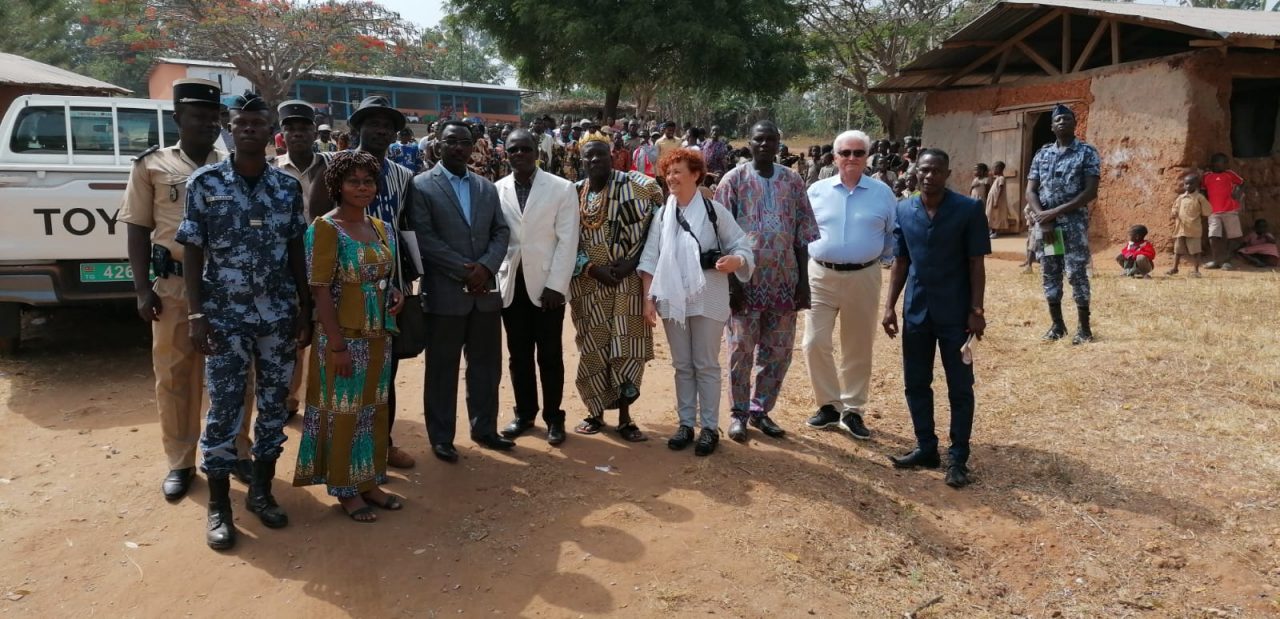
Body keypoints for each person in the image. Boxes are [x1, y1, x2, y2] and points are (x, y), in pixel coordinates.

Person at [176, 93, 310, 549]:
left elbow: (297, 249)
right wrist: (196, 313)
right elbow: (192, 251)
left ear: (268, 130)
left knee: (274, 407)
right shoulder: (204, 182)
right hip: (225, 318)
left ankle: (261, 492)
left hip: (277, 316)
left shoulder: (286, 188)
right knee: (225, 412)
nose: (248, 128)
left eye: (257, 122)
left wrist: (305, 310)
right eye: (241, 122)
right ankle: (218, 507)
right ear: (229, 129)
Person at [120, 78, 254, 501]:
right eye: (198, 116)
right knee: (176, 376)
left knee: (237, 377)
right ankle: (180, 461)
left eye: (214, 117)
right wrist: (143, 289)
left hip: (229, 288)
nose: (207, 124)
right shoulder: (152, 166)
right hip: (174, 287)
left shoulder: (236, 163)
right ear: (178, 118)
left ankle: (237, 449)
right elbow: (138, 229)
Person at [293, 150, 406, 522]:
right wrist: (337, 345)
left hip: (378, 336)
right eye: (354, 181)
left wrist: (393, 293)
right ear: (338, 186)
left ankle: (369, 482)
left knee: (373, 411)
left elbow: (380, 274)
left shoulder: (379, 226)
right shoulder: (326, 228)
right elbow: (320, 289)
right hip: (344, 338)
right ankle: (345, 490)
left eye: (368, 181)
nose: (362, 187)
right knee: (344, 413)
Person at [307, 96, 417, 470]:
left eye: (388, 125)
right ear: (357, 128)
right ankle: (344, 468)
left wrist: (405, 281)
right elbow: (317, 225)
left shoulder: (404, 175)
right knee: (344, 390)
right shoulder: (333, 168)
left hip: (388, 290)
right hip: (342, 295)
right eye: (373, 123)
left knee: (382, 380)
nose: (381, 130)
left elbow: (406, 229)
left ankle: (379, 449)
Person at [881, 148, 990, 489]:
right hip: (916, 312)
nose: (929, 176)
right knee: (916, 382)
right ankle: (926, 447)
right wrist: (889, 306)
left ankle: (958, 458)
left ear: (948, 173)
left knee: (960, 387)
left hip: (956, 315)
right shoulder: (904, 209)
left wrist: (976, 311)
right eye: (924, 170)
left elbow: (976, 263)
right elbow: (900, 261)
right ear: (916, 172)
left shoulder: (968, 210)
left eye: (936, 171)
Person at [406, 120, 512, 463]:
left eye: (465, 143)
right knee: (442, 369)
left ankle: (484, 428)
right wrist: (466, 271)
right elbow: (423, 238)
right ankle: (441, 437)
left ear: (473, 147)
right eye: (451, 142)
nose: (458, 148)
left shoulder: (486, 187)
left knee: (486, 367)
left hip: (484, 296)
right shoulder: (421, 186)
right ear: (438, 145)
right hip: (445, 294)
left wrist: (486, 268)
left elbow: (501, 232)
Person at [639, 148, 753, 456]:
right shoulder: (663, 214)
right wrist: (648, 298)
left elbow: (742, 245)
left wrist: (736, 260)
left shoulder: (715, 211)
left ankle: (709, 428)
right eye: (668, 172)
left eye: (678, 171)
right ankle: (686, 424)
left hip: (708, 296)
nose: (671, 178)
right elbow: (651, 257)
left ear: (695, 175)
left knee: (705, 364)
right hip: (672, 298)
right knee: (682, 365)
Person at [715, 121, 820, 442]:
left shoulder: (792, 180)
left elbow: (802, 234)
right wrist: (731, 285)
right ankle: (739, 414)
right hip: (745, 283)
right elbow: (719, 237)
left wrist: (802, 283)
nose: (765, 144)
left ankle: (761, 410)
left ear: (779, 144)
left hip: (784, 283)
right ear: (749, 142)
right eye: (759, 139)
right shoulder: (733, 180)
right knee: (740, 351)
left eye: (771, 139)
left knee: (778, 352)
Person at [803, 129, 896, 439]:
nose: (852, 158)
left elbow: (890, 236)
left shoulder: (883, 193)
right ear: (835, 157)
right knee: (814, 342)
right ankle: (828, 406)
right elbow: (802, 231)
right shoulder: (816, 191)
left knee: (858, 345)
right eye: (845, 153)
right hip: (820, 275)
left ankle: (853, 410)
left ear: (867, 157)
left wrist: (872, 258)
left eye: (858, 153)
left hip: (864, 276)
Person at [569, 137, 662, 440]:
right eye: (588, 157)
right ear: (580, 161)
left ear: (613, 157)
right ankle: (594, 413)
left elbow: (657, 225)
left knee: (626, 348)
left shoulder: (638, 186)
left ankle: (625, 418)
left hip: (627, 281)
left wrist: (632, 262)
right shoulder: (573, 194)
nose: (595, 160)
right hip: (588, 284)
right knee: (593, 348)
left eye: (601, 155)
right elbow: (565, 239)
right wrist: (592, 268)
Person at [494, 130, 580, 446]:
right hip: (512, 284)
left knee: (550, 354)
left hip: (548, 287)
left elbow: (567, 240)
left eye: (525, 148)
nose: (519, 154)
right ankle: (525, 414)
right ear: (506, 154)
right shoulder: (497, 189)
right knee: (518, 355)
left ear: (536, 152)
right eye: (513, 149)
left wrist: (557, 285)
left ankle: (554, 418)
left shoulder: (561, 188)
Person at [1026, 103, 1101, 345]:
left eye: (1067, 119)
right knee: (1051, 271)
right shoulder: (1042, 154)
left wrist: (1054, 212)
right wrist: (1042, 218)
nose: (1062, 123)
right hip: (1048, 229)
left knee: (1076, 272)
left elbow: (1090, 191)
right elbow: (1030, 191)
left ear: (1075, 123)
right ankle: (1057, 325)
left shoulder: (1086, 153)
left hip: (1073, 225)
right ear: (1051, 126)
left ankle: (1084, 328)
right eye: (1058, 120)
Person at [273, 100, 325, 420]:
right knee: (293, 334)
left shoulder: (331, 165)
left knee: (323, 332)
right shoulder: (271, 170)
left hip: (326, 261)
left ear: (313, 131)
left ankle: (320, 401)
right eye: (290, 128)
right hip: (287, 265)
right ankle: (288, 399)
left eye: (303, 127)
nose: (297, 133)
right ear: (282, 133)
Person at [1201, 153, 1246, 270]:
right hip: (1213, 211)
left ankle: (1227, 261)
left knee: (1234, 237)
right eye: (1221, 162)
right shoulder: (1207, 176)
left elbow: (1242, 183)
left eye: (1225, 162)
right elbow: (1203, 191)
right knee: (1213, 236)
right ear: (1213, 163)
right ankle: (1216, 260)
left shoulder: (1230, 174)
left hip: (1230, 209)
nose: (1224, 165)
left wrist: (1238, 193)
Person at [1167, 173, 1212, 277]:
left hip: (1193, 229)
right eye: (1186, 184)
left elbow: (1207, 211)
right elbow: (1175, 207)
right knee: (1177, 250)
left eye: (1191, 184)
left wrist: (1199, 218)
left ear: (1197, 185)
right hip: (1181, 229)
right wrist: (1174, 213)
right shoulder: (1180, 198)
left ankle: (1196, 270)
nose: (1188, 186)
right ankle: (1174, 268)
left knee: (1195, 251)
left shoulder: (1199, 198)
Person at [985, 161, 1013, 238]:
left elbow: (1000, 190)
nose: (993, 171)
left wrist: (996, 200)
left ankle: (994, 232)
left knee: (995, 216)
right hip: (992, 200)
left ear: (999, 169)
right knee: (990, 215)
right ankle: (991, 231)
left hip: (996, 200)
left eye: (994, 169)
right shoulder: (997, 178)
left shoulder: (1001, 178)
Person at [969, 163, 992, 236]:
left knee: (982, 214)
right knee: (973, 214)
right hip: (973, 199)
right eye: (974, 170)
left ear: (983, 171)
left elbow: (988, 191)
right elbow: (971, 190)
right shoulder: (975, 180)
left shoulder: (986, 180)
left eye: (977, 170)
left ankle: (984, 229)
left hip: (982, 199)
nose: (975, 171)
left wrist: (987, 199)